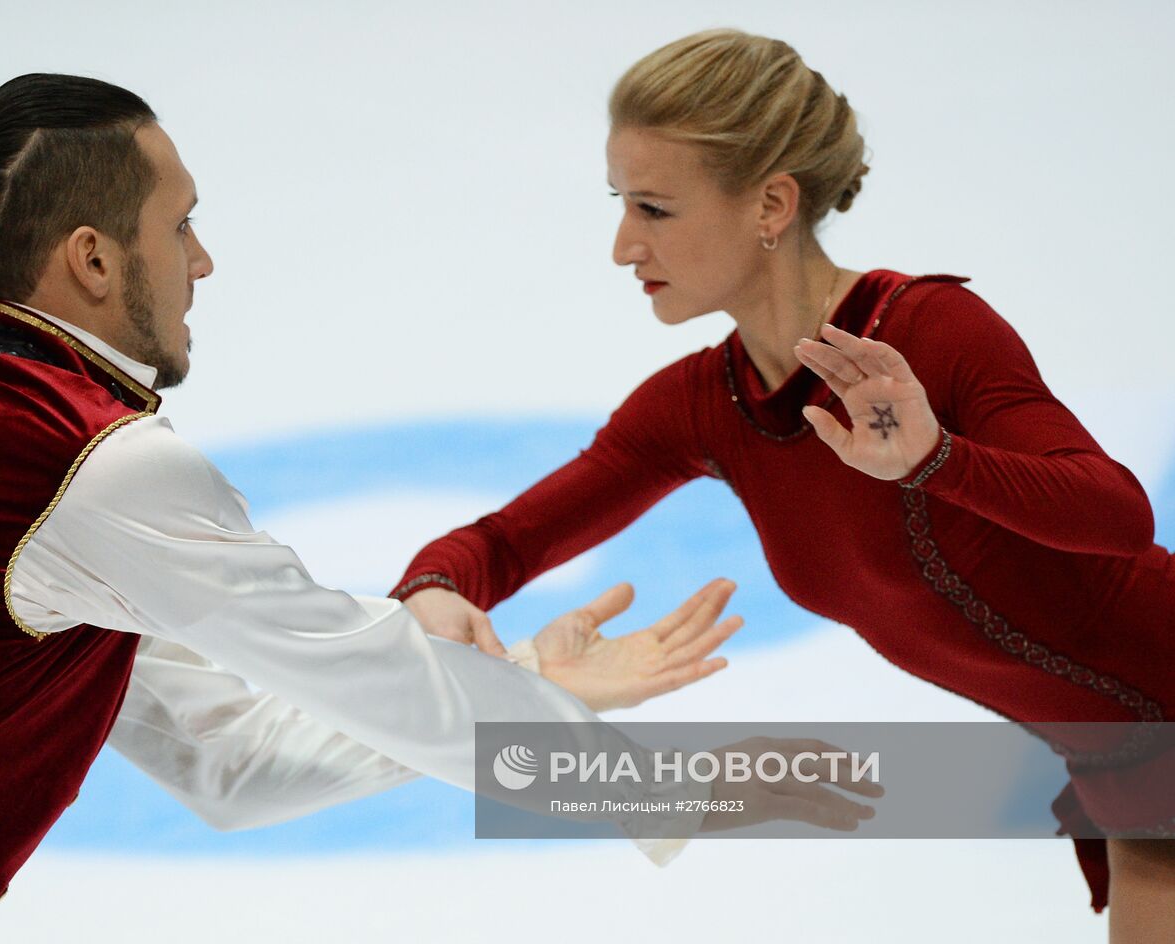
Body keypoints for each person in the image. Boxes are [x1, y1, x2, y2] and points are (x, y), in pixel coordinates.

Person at [0, 73, 881, 944]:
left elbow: (230, 761)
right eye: (181, 226)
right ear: (96, 258)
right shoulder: (85, 466)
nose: (203, 262)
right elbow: (379, 678)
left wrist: (526, 678)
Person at [391, 28, 1175, 941]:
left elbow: (1120, 515)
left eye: (652, 208)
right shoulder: (704, 405)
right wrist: (432, 589)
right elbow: (507, 541)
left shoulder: (930, 333)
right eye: (621, 203)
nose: (621, 245)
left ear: (771, 203)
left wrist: (937, 462)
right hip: (1131, 773)